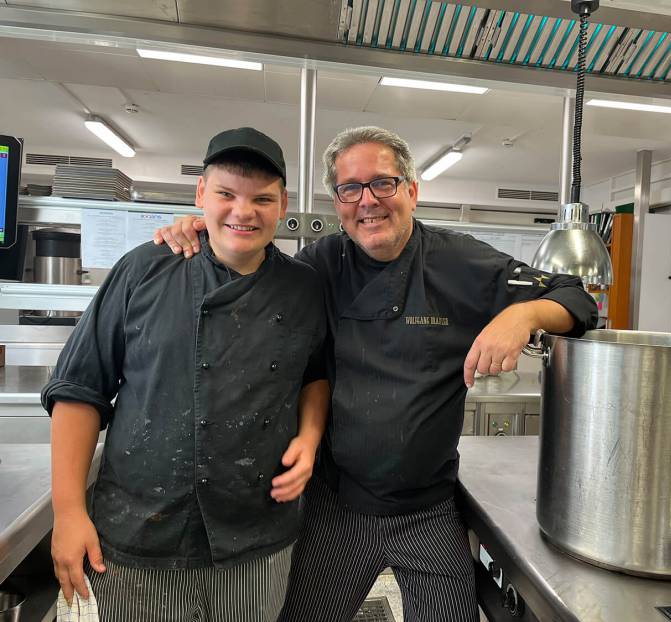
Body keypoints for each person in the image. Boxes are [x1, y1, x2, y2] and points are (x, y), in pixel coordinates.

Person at [154, 125, 598, 622]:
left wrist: (524, 315)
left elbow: (575, 296)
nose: (368, 201)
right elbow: (251, 266)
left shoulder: (461, 262)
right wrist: (202, 231)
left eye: (383, 183)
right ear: (337, 201)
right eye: (350, 188)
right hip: (336, 508)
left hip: (426, 511)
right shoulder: (320, 264)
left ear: (411, 190)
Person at [43, 127, 329, 622]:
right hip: (141, 537)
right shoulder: (143, 270)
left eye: (262, 198)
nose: (243, 211)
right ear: (201, 194)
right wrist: (68, 512)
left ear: (282, 204)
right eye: (226, 194)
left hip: (256, 536)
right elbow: (79, 391)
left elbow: (314, 373)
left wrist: (309, 435)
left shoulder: (303, 286)